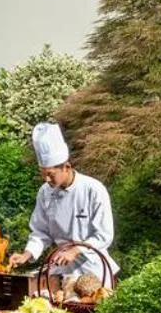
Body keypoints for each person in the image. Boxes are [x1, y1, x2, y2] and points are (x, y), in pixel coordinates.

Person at [7, 121, 118, 289]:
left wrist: (75, 250)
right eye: (43, 175)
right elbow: (40, 231)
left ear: (67, 167)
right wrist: (27, 254)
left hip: (94, 270)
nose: (47, 180)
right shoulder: (45, 192)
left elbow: (104, 235)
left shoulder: (93, 189)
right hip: (61, 270)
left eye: (51, 175)